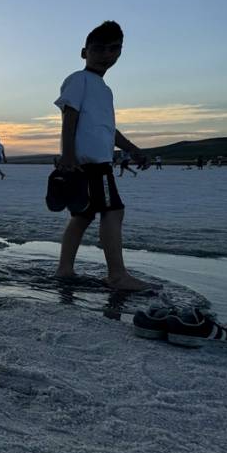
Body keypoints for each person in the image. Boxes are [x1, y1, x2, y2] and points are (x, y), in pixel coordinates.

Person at [53, 20, 150, 291]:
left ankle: (64, 270)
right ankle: (117, 275)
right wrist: (68, 155)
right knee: (113, 211)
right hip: (90, 162)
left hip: (96, 161)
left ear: (119, 53)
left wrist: (131, 148)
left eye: (113, 49)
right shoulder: (78, 79)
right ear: (84, 52)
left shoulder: (104, 89)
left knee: (82, 216)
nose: (106, 54)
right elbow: (68, 115)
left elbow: (108, 129)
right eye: (99, 49)